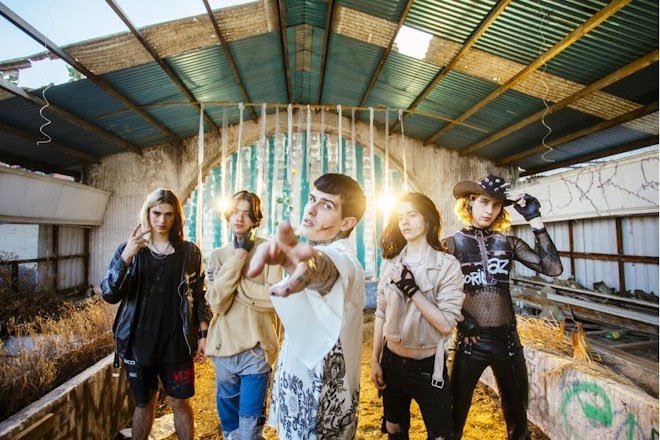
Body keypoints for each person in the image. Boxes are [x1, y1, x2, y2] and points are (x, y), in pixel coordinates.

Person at [247, 173, 367, 439]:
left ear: (347, 222)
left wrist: (306, 264)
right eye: (312, 199)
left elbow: (324, 268)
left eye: (326, 205)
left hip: (322, 404)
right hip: (297, 389)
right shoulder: (313, 249)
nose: (311, 209)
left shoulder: (344, 259)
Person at [443, 175, 563, 440]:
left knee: (518, 423)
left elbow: (553, 269)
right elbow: (434, 292)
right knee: (453, 420)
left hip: (508, 343)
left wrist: (535, 220)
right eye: (484, 202)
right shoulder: (450, 245)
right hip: (469, 342)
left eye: (496, 205)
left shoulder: (508, 243)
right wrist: (460, 318)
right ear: (470, 202)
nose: (490, 210)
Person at [101, 188, 210, 440]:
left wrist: (203, 335)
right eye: (157, 213)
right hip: (139, 346)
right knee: (144, 403)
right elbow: (109, 294)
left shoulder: (189, 253)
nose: (162, 220)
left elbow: (200, 295)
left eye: (169, 214)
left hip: (177, 344)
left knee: (180, 403)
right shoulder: (130, 250)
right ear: (147, 213)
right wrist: (127, 256)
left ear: (177, 217)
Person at [371, 192, 464, 440]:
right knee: (394, 428)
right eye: (400, 217)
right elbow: (381, 312)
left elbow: (446, 325)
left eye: (412, 215)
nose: (405, 222)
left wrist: (412, 290)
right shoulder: (390, 263)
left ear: (428, 219)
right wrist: (375, 359)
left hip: (428, 368)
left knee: (440, 435)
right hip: (391, 362)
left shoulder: (447, 265)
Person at [204, 190, 282, 440]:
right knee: (230, 430)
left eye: (247, 214)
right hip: (224, 350)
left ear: (255, 219)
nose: (239, 218)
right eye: (235, 212)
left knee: (249, 430)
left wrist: (232, 281)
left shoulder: (270, 251)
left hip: (256, 350)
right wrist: (238, 258)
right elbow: (217, 303)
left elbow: (275, 299)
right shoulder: (217, 255)